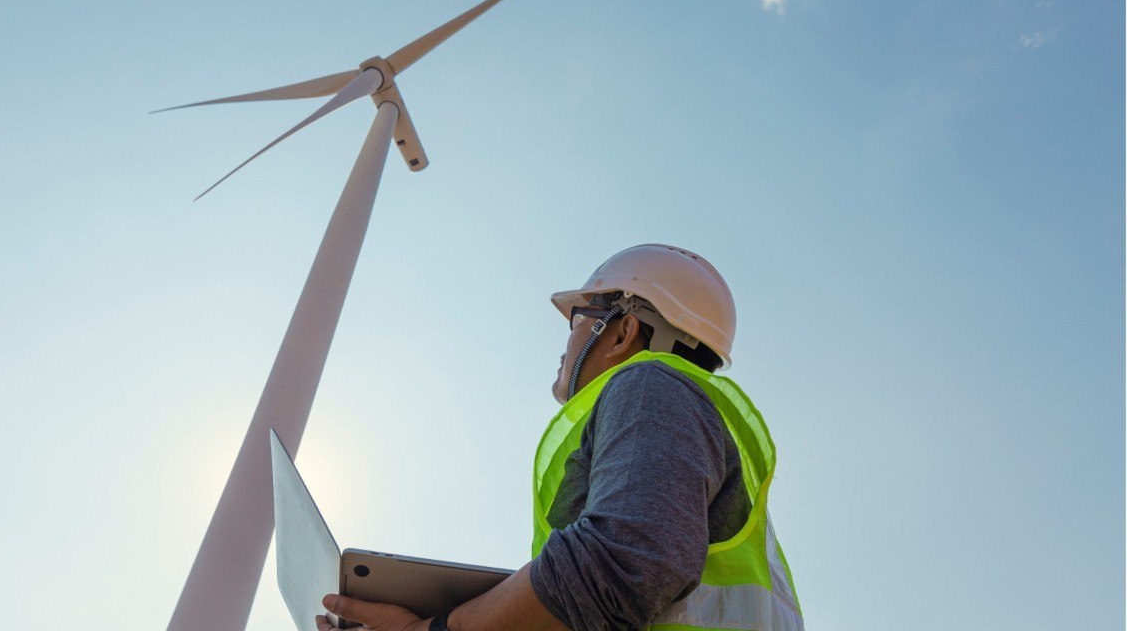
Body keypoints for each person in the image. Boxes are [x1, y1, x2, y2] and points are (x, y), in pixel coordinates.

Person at [317, 244, 804, 631]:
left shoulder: (650, 387)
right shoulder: (675, 406)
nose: (567, 338)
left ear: (622, 333)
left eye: (580, 318)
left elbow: (623, 565)